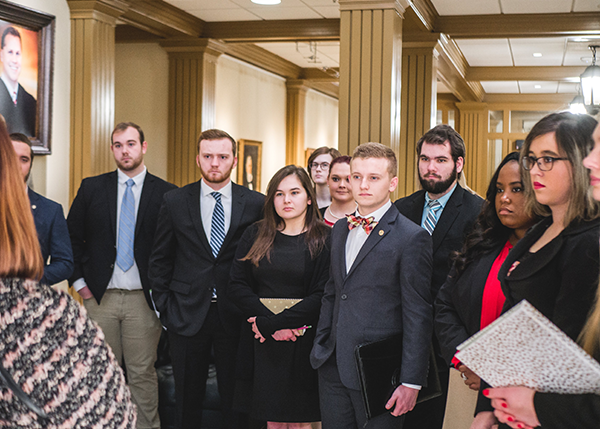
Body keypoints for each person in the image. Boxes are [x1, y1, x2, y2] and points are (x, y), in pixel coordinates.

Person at [0, 115, 136, 426]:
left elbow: (65, 259)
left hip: (34, 301)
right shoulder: (93, 188)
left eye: (22, 159)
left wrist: (30, 283)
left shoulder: (47, 210)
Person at [471, 112, 600, 429]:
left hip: (551, 409)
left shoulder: (587, 242)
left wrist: (532, 406)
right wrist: (487, 404)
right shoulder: (539, 227)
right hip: (514, 401)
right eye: (531, 159)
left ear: (580, 161)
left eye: (548, 159)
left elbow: (572, 354)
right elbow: (511, 328)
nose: (534, 171)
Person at [310, 142, 433, 429]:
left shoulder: (411, 237)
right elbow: (333, 291)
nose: (363, 184)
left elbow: (418, 313)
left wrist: (411, 381)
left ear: (392, 183)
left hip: (380, 370)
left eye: (373, 178)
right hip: (332, 365)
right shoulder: (340, 228)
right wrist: (322, 342)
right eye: (357, 176)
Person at [149, 129, 264, 429]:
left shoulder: (255, 203)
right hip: (186, 313)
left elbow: (261, 260)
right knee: (187, 398)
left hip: (234, 312)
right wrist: (165, 308)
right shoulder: (174, 200)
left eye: (222, 157)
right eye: (208, 156)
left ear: (234, 161)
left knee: (234, 399)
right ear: (197, 159)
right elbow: (160, 258)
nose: (215, 163)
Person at [67, 122, 176, 429]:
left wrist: (163, 295)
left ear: (143, 147)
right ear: (112, 149)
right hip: (100, 298)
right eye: (118, 145)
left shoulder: (167, 194)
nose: (124, 150)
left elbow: (171, 251)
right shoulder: (92, 188)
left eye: (130, 144)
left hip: (144, 300)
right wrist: (80, 285)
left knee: (142, 373)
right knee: (100, 371)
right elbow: (72, 238)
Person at [227, 165, 330, 428]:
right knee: (271, 421)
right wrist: (269, 325)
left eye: (294, 192)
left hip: (303, 340)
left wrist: (274, 325)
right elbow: (236, 285)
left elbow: (322, 294)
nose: (286, 200)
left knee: (300, 423)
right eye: (279, 194)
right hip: (261, 343)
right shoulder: (255, 233)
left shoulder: (326, 238)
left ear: (309, 197)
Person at [394, 124, 483, 429]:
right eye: (424, 158)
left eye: (440, 160)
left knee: (432, 420)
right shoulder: (401, 209)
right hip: (398, 334)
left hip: (443, 338)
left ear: (458, 164)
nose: (430, 167)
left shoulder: (478, 212)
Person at [435, 152, 539, 392]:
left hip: (525, 389)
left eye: (517, 189)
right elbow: (444, 305)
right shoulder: (480, 244)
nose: (505, 198)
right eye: (500, 189)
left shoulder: (550, 254)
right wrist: (466, 359)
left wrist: (494, 374)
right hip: (467, 379)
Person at [10, 132, 73, 286]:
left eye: (24, 160)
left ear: (30, 165)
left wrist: (33, 280)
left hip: (30, 301)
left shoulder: (51, 210)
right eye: (10, 157)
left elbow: (65, 263)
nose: (17, 165)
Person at [0, 27, 36, 136]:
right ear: (1, 55)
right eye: (10, 52)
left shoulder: (31, 102)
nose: (14, 60)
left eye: (18, 53)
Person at [320, 155, 356, 226]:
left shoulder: (368, 219)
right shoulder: (314, 217)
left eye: (348, 179)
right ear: (327, 180)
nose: (342, 185)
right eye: (336, 179)